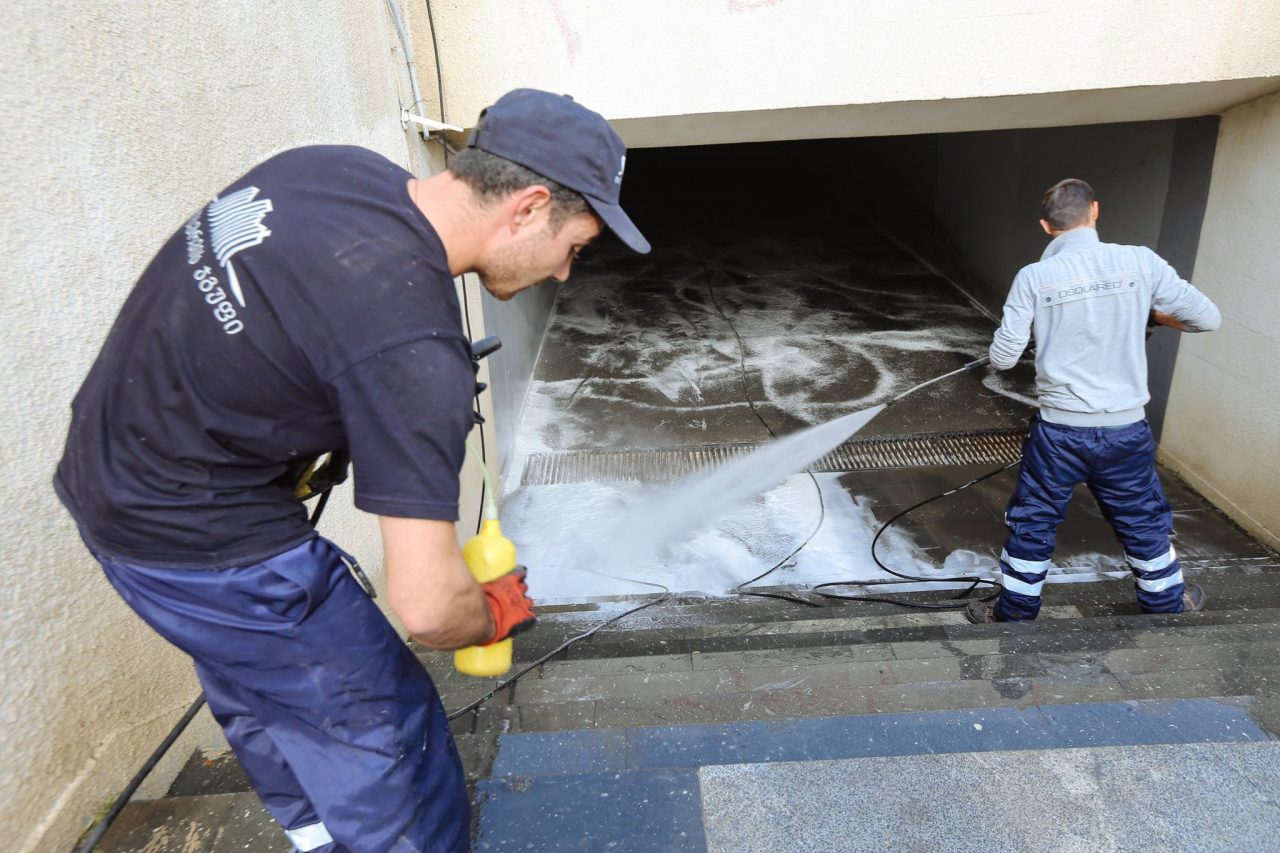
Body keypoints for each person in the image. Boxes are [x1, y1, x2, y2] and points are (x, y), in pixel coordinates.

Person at [54, 88, 650, 852]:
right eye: (578, 244)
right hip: (207, 542)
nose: (567, 273)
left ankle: (320, 836)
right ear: (530, 207)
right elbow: (430, 608)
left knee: (261, 686)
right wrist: (494, 611)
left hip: (107, 479)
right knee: (386, 732)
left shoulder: (325, 170)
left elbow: (304, 320)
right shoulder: (411, 357)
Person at [967, 178, 1220, 625]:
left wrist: (1019, 340)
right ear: (1095, 212)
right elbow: (1206, 318)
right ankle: (1165, 605)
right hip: (1126, 430)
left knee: (1035, 522)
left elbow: (1003, 359)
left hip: (1059, 434)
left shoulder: (1034, 276)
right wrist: (1150, 313)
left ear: (1046, 226)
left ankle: (1013, 616)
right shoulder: (1140, 262)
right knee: (1142, 519)